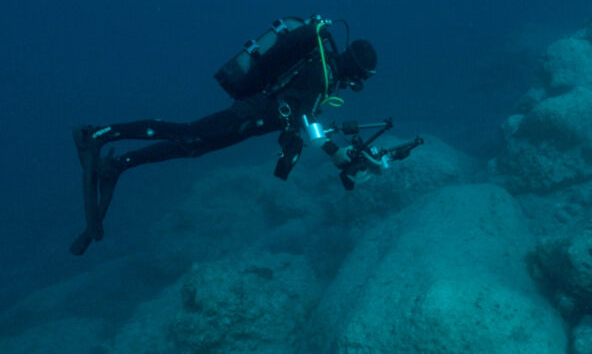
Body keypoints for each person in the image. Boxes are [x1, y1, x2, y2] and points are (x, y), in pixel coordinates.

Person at [70, 15, 394, 256]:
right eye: (360, 79)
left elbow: (301, 117)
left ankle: (119, 165)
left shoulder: (323, 72)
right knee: (188, 132)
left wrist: (327, 147)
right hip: (248, 114)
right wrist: (338, 157)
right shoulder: (322, 74)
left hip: (252, 121)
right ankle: (100, 133)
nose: (356, 86)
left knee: (191, 147)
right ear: (355, 71)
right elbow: (308, 122)